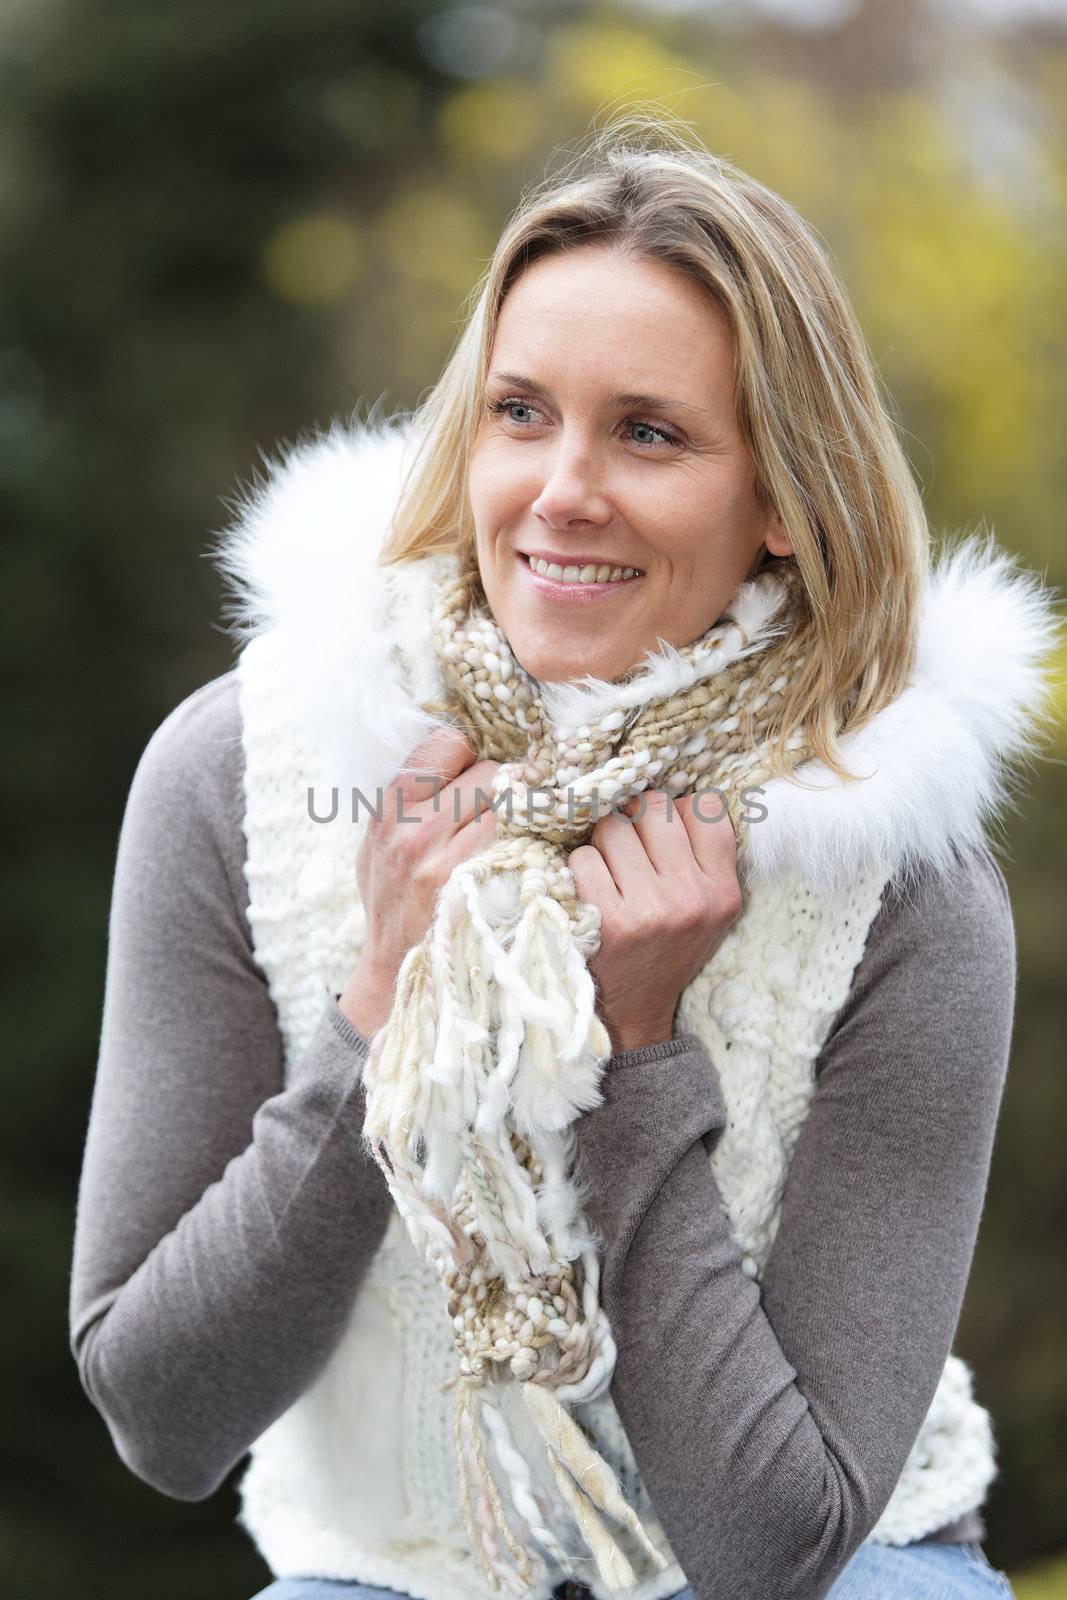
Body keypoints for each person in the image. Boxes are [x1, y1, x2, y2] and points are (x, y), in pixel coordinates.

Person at [68, 118, 1057, 1600]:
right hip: (389, 1575)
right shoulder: (248, 773)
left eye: (648, 432)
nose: (561, 490)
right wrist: (381, 1008)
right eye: (519, 413)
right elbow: (161, 1413)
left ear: (784, 501)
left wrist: (641, 1060)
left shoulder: (897, 874)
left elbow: (776, 1547)